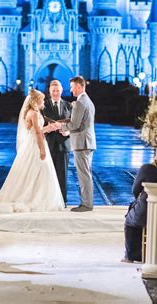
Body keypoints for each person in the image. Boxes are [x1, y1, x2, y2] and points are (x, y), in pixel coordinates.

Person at [0, 89, 64, 212]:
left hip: (31, 142)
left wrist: (48, 128)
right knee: (42, 170)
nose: (43, 102)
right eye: (41, 99)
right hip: (36, 144)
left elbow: (37, 130)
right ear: (36, 100)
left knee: (31, 171)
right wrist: (42, 149)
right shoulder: (34, 114)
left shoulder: (31, 112)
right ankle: (36, 199)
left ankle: (34, 196)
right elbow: (36, 132)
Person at [53, 76, 96, 212]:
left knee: (83, 174)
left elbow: (75, 124)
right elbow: (79, 121)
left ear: (78, 86)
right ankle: (87, 202)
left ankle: (86, 204)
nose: (70, 90)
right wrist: (64, 122)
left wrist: (61, 126)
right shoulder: (88, 101)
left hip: (82, 143)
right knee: (86, 173)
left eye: (72, 87)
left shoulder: (79, 102)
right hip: (87, 142)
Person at [122, 162, 157, 263]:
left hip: (146, 209)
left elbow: (135, 189)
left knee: (130, 220)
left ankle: (131, 256)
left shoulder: (147, 168)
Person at [42, 80, 71, 205]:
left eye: (57, 90)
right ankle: (48, 200)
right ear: (49, 91)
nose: (55, 93)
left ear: (61, 91)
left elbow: (73, 124)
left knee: (62, 174)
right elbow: (39, 124)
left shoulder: (69, 105)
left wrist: (68, 131)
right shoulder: (43, 106)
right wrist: (47, 128)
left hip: (63, 144)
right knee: (47, 174)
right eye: (53, 91)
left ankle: (62, 201)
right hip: (48, 144)